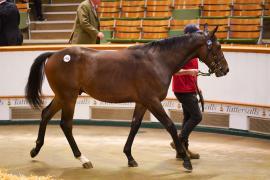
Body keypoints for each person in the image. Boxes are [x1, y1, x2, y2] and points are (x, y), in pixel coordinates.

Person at [170, 24, 203, 159]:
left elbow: (193, 73)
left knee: (188, 118)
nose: (199, 36)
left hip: (190, 88)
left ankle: (182, 151)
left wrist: (197, 85)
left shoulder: (193, 51)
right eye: (196, 34)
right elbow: (174, 71)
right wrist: (189, 71)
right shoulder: (180, 51)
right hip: (182, 89)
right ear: (189, 35)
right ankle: (178, 141)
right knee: (197, 116)